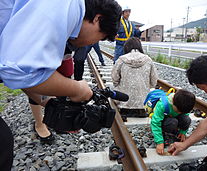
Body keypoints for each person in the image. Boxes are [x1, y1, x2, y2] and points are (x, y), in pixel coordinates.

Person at [0, 0, 122, 170]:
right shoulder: (66, 4)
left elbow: (18, 68)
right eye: (100, 37)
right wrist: (77, 89)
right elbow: (20, 71)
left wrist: (49, 102)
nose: (90, 44)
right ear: (97, 19)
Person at [111, 37, 158, 121]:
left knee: (113, 89)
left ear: (126, 47)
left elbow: (114, 79)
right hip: (142, 105)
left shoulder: (121, 60)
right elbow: (154, 81)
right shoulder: (148, 60)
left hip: (124, 105)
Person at [150, 89, 195, 155]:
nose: (179, 113)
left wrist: (183, 132)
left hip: (173, 119)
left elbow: (185, 116)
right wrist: (159, 142)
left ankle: (178, 133)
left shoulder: (183, 105)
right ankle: (163, 132)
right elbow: (155, 123)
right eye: (178, 111)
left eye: (181, 112)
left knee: (187, 119)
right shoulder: (162, 105)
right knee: (173, 122)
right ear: (173, 102)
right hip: (165, 121)